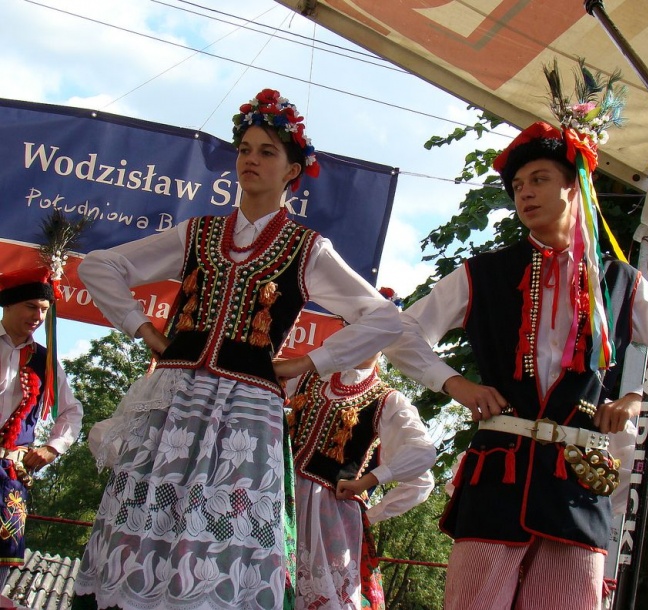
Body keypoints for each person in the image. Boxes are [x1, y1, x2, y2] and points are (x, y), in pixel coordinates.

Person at [383, 66, 648, 609]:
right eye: (517, 187)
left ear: (574, 186)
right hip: (497, 477)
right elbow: (401, 331)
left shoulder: (620, 283)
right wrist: (456, 385)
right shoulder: (484, 273)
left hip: (578, 489)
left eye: (538, 180)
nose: (525, 194)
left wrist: (637, 398)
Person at [72, 88, 402, 610]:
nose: (251, 159)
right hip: (175, 398)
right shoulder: (198, 232)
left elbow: (383, 317)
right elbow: (99, 266)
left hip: (245, 410)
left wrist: (309, 362)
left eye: (267, 151)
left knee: (218, 529)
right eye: (245, 149)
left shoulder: (307, 249)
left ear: (293, 171)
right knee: (148, 517)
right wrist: (146, 330)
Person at [285, 330, 436, 610]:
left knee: (319, 593)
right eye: (357, 330)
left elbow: (422, 458)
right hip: (281, 495)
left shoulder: (387, 400)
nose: (362, 340)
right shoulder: (308, 375)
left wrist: (367, 487)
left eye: (373, 334)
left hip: (330, 514)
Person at [0, 266, 83, 591]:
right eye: (31, 306)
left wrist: (52, 447)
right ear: (8, 304)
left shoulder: (45, 360)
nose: (38, 316)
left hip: (9, 474)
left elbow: (72, 411)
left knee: (2, 557)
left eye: (45, 309)